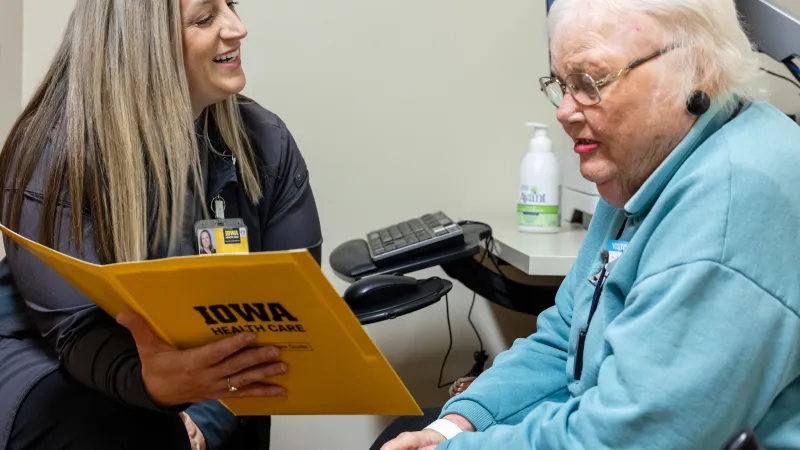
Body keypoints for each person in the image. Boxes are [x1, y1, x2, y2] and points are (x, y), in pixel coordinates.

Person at [382, 0, 800, 449]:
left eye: (589, 82)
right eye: (562, 84)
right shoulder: (647, 163)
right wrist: (451, 429)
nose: (565, 111)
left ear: (694, 71)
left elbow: (628, 437)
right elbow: (567, 335)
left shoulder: (730, 206)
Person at [0, 0, 322, 449]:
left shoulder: (265, 144)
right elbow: (76, 329)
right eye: (206, 18)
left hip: (208, 376)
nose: (238, 28)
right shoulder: (55, 151)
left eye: (231, 5)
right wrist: (158, 392)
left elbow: (289, 322)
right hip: (57, 363)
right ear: (141, 43)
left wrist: (203, 417)